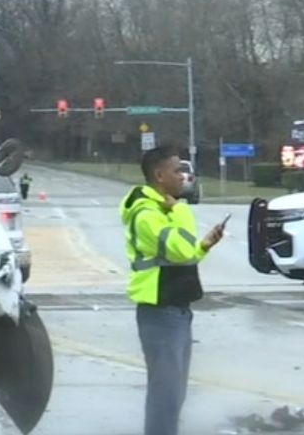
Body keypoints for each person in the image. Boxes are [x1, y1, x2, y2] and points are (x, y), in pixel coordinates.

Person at [119, 145, 225, 435]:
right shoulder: (147, 214)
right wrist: (181, 211)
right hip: (159, 310)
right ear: (159, 175)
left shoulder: (160, 208)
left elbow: (186, 254)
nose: (184, 176)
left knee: (175, 393)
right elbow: (179, 250)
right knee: (166, 394)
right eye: (178, 170)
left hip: (176, 309)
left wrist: (205, 245)